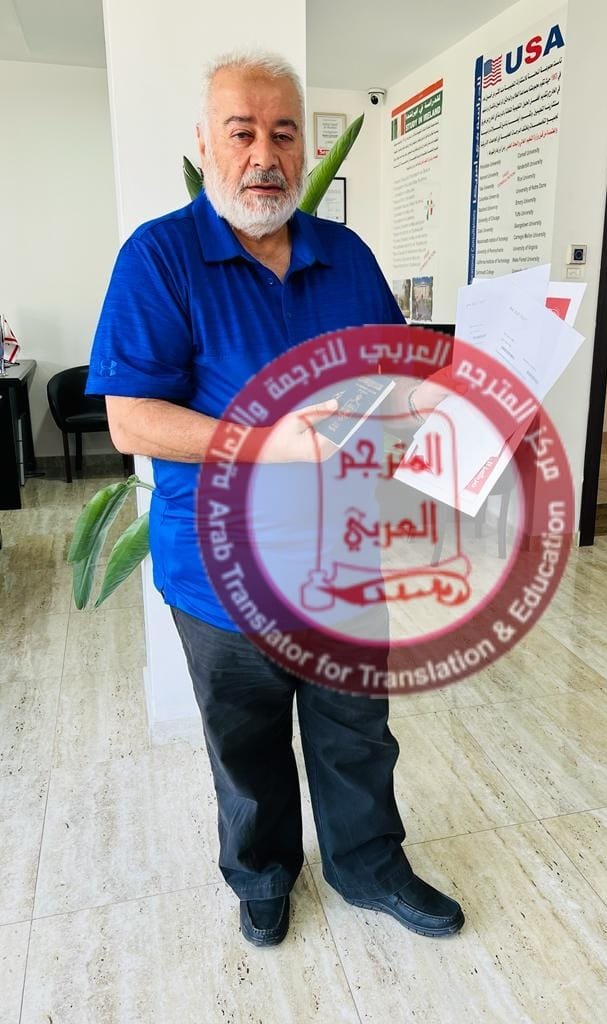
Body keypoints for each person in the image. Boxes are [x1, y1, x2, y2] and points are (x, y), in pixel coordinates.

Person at [86, 50, 464, 947]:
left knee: (356, 735)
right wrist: (266, 443)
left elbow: (390, 380)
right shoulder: (159, 258)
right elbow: (131, 419)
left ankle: (368, 866)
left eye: (284, 133)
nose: (265, 154)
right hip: (220, 576)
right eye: (242, 131)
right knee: (246, 746)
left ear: (305, 148)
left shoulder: (347, 255)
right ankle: (261, 876)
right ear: (205, 143)